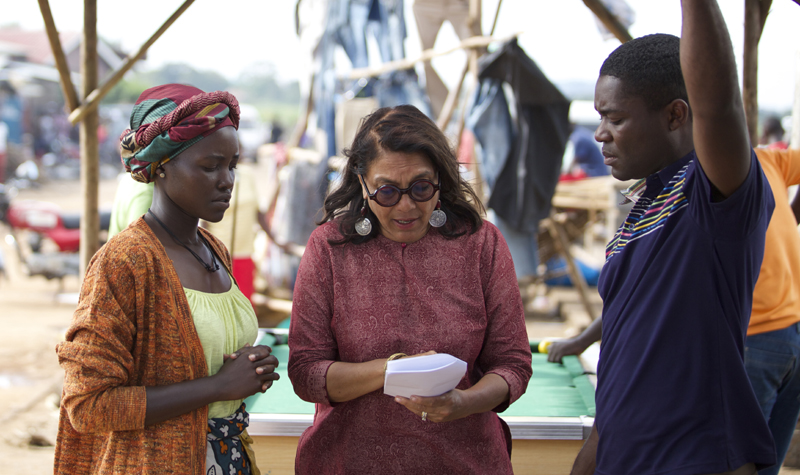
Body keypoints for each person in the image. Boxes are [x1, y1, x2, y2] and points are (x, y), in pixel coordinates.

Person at [566, 2, 777, 474]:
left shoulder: (711, 194)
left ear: (677, 115)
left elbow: (719, 104)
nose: (600, 134)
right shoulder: (642, 209)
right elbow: (626, 359)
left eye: (615, 118)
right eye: (600, 117)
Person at [287, 104, 532, 474]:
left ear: (440, 179)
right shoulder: (329, 249)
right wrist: (391, 370)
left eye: (420, 187)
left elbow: (513, 365)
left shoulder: (481, 244)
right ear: (362, 182)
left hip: (465, 462)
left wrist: (464, 402)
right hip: (349, 462)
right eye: (386, 191)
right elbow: (306, 373)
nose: (406, 206)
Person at [54, 84, 279, 475]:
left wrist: (251, 367)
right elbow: (87, 405)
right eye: (210, 167)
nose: (227, 180)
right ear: (160, 166)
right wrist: (217, 387)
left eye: (232, 166)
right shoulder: (126, 262)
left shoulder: (213, 250)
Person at [554, 146, 800, 475]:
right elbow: (641, 297)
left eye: (615, 118)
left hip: (754, 341)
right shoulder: (762, 163)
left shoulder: (705, 190)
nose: (602, 134)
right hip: (789, 333)